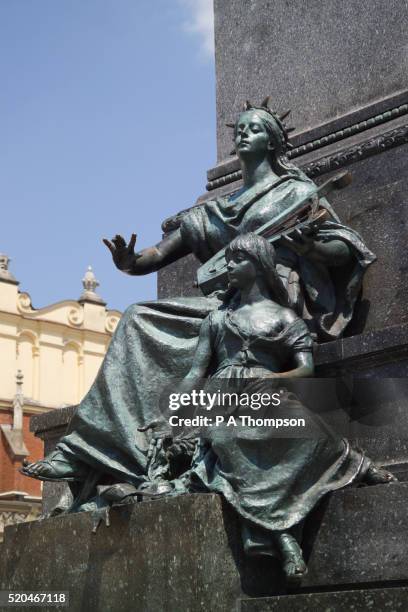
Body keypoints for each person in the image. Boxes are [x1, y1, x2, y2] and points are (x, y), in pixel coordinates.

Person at [21, 98, 376, 501]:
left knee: (148, 321)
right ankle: (88, 451)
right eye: (240, 128)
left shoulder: (296, 194)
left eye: (255, 128)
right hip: (224, 304)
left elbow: (345, 250)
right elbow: (155, 256)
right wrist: (128, 262)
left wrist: (310, 249)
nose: (244, 133)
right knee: (136, 316)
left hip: (269, 305)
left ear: (275, 142)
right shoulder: (214, 212)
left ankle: (126, 451)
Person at [162, 233, 395, 584]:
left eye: (237, 260)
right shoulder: (217, 319)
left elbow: (306, 369)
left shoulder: (285, 318)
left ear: (257, 266)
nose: (228, 266)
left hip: (268, 391)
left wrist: (275, 379)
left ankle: (352, 467)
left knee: (309, 431)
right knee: (227, 442)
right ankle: (285, 541)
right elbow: (197, 370)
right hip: (223, 397)